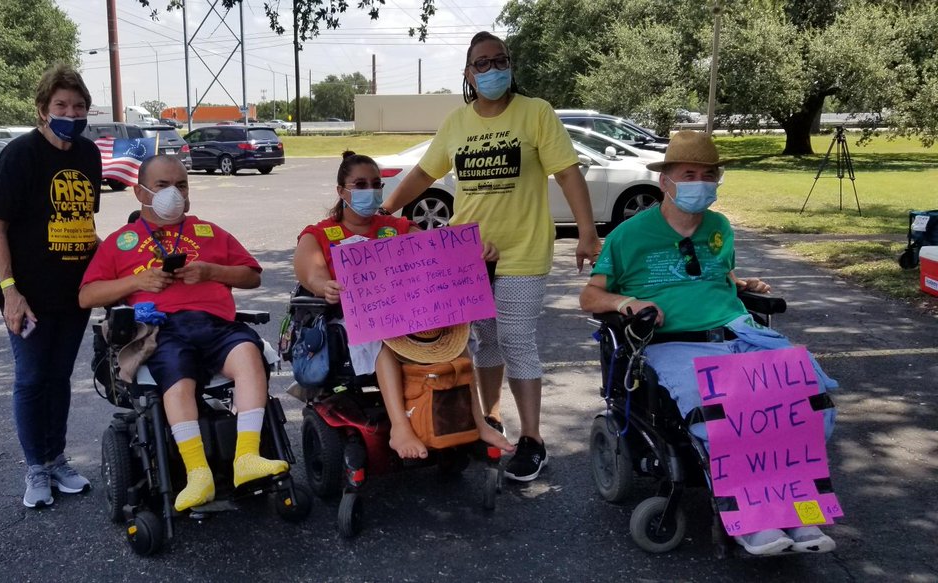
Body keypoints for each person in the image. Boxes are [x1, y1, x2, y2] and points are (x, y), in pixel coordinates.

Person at [579, 130, 838, 556]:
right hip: (674, 342)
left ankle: (801, 514)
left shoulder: (719, 227)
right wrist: (627, 301)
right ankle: (752, 522)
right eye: (689, 174)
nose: (701, 182)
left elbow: (708, 271)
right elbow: (591, 296)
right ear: (666, 181)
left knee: (808, 400)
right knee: (725, 414)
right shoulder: (629, 235)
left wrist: (738, 281)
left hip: (739, 331)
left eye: (708, 175)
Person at [380, 31, 601, 481]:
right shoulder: (457, 123)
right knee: (482, 342)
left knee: (517, 340)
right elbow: (424, 173)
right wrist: (384, 212)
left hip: (523, 249)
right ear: (468, 73)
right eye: (482, 63)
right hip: (467, 253)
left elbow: (567, 174)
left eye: (499, 60)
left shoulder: (536, 113)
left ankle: (534, 440)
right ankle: (492, 420)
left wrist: (587, 232)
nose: (492, 69)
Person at [79, 154, 289, 512]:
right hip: (162, 330)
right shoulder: (122, 242)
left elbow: (252, 275)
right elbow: (86, 296)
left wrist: (210, 272)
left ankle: (247, 457)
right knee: (178, 378)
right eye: (162, 185)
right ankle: (197, 474)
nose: (173, 193)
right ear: (139, 192)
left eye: (181, 185)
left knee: (250, 357)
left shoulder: (208, 232)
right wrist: (135, 281)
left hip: (215, 323)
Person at [294, 151, 513, 459]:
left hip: (409, 314)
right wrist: (323, 286)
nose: (369, 191)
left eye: (375, 184)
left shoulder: (396, 226)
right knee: (383, 343)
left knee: (457, 343)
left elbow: (438, 253)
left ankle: (479, 422)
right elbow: (311, 273)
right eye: (360, 184)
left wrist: (475, 252)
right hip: (353, 319)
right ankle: (400, 427)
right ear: (341, 191)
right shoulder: (318, 234)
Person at [0, 64, 100, 509]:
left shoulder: (88, 155)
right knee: (32, 379)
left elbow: (83, 225)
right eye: (61, 105)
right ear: (42, 109)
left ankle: (57, 460)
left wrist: (118, 260)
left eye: (78, 106)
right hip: (27, 294)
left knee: (59, 378)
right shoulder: (20, 154)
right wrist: (10, 290)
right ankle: (36, 467)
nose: (71, 112)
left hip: (75, 291)